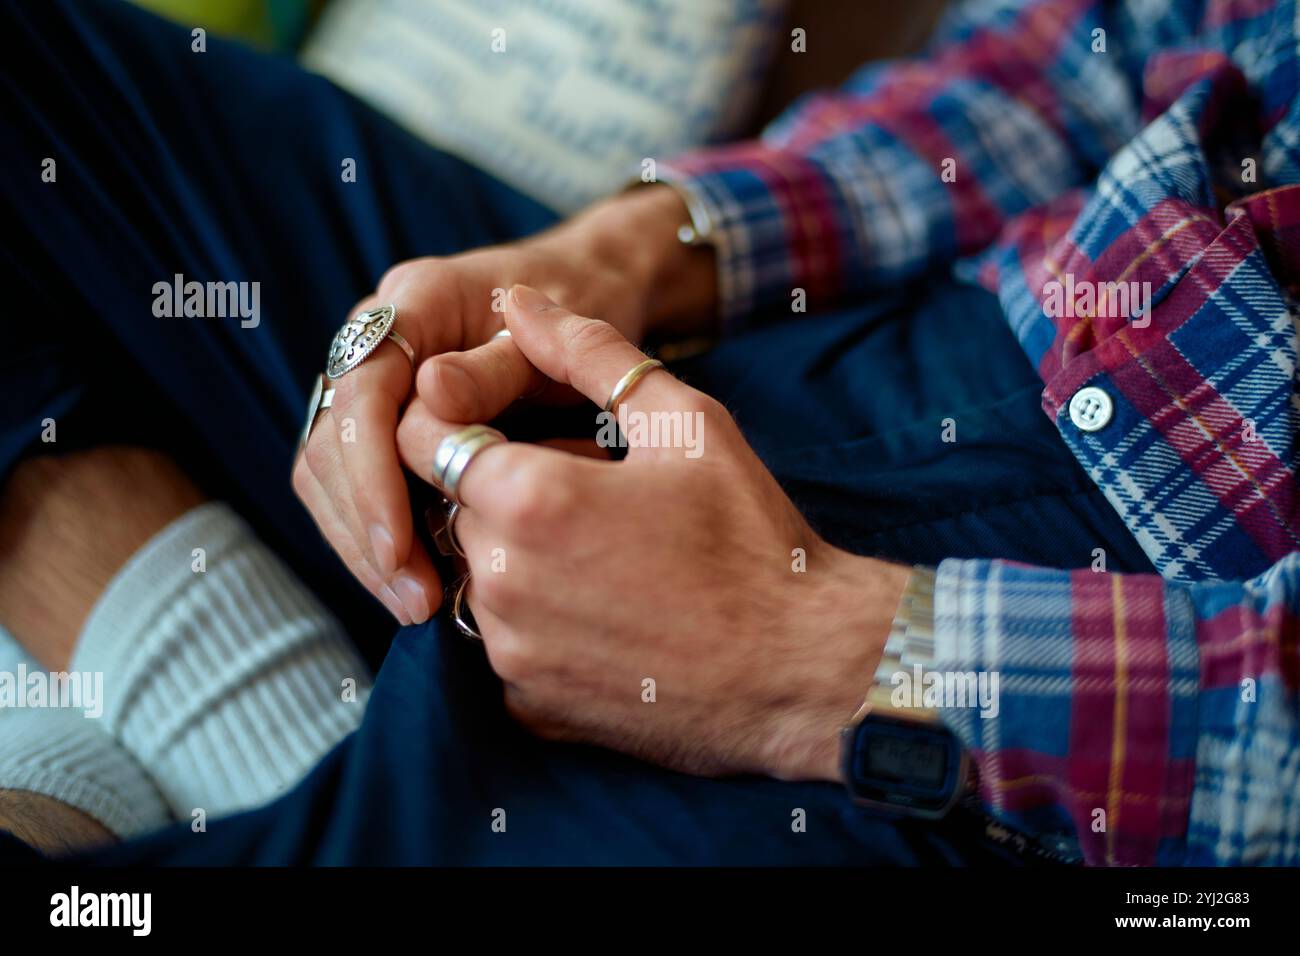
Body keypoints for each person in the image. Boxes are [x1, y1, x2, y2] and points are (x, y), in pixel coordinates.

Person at [0, 0, 1296, 866]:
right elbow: (1078, 64)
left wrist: (820, 656)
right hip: (919, 323)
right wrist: (613, 258)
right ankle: (304, 747)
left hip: (1091, 648)